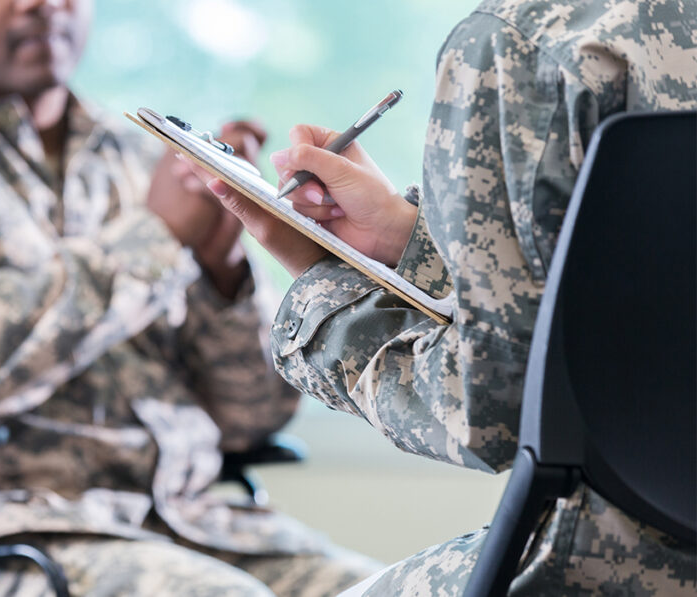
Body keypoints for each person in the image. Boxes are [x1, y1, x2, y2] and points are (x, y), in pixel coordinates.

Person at [0, 0, 383, 595]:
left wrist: (222, 269)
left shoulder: (134, 153)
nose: (46, 4)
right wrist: (154, 239)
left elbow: (253, 420)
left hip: (181, 521)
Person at [196, 0, 697, 594]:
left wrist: (323, 283)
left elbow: (485, 410)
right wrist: (407, 238)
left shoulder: (524, 39)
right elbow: (641, 293)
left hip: (630, 561)